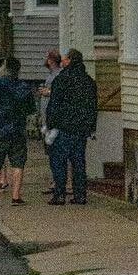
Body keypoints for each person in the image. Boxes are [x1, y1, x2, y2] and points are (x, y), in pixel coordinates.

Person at [45, 48, 98, 205]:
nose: (62, 61)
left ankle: (60, 194)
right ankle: (80, 194)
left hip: (63, 126)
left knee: (59, 161)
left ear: (69, 61)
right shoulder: (88, 81)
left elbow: (54, 104)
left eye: (65, 59)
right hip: (81, 128)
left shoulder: (62, 79)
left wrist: (50, 124)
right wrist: (91, 126)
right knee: (79, 162)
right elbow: (92, 106)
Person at [0, 55, 35, 206]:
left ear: (4, 68)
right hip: (17, 130)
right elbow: (31, 109)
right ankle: (16, 197)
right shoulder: (24, 87)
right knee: (17, 164)